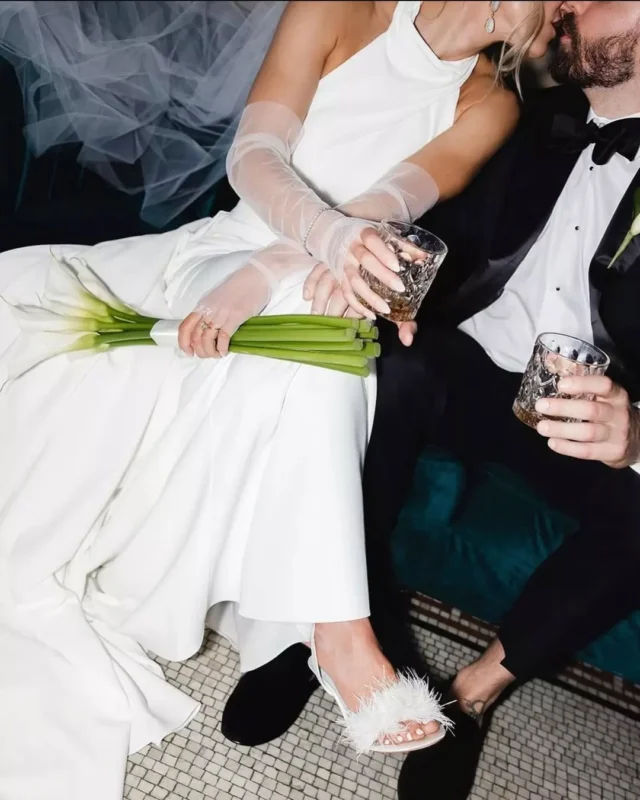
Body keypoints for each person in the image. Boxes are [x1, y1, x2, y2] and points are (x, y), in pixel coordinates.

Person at [0, 2, 561, 798]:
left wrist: (294, 267)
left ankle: (338, 632)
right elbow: (255, 156)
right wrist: (314, 246)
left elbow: (390, 204)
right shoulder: (335, 8)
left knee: (338, 323)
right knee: (335, 327)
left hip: (309, 273)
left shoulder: (490, 101)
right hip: (222, 251)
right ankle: (340, 632)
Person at [222, 0, 640, 797]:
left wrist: (634, 436)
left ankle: (474, 693)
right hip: (468, 357)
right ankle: (320, 628)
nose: (570, 4)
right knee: (387, 373)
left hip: (587, 414)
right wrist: (386, 285)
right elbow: (423, 210)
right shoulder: (525, 114)